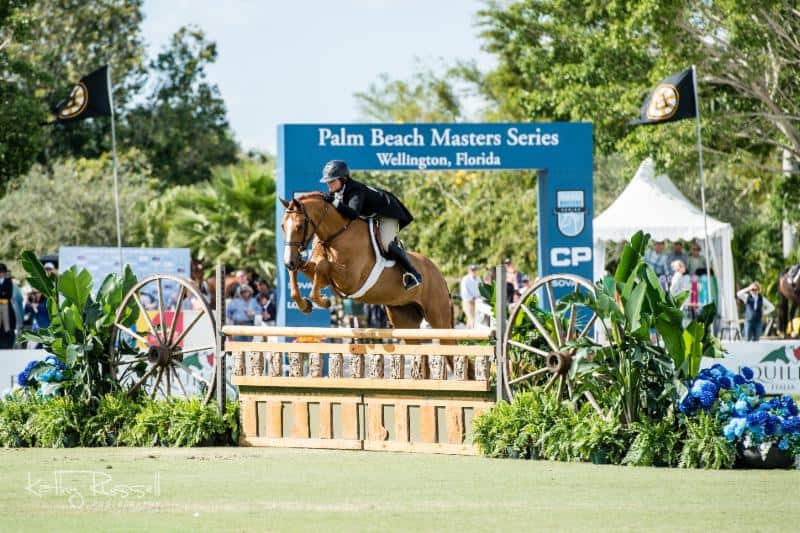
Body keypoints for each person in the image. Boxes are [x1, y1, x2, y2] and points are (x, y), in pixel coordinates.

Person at [319, 160, 422, 290]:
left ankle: (413, 273)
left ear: (343, 179)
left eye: (332, 181)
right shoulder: (336, 191)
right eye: (328, 182)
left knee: (386, 243)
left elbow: (352, 214)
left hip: (387, 212)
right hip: (370, 216)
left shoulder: (355, 189)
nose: (329, 185)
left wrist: (334, 203)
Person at [0, 263, 16, 349]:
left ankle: (7, 342)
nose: (1, 274)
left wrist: (3, 294)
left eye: (2, 272)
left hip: (6, 304)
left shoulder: (8, 281)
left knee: (8, 325)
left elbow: (8, 294)